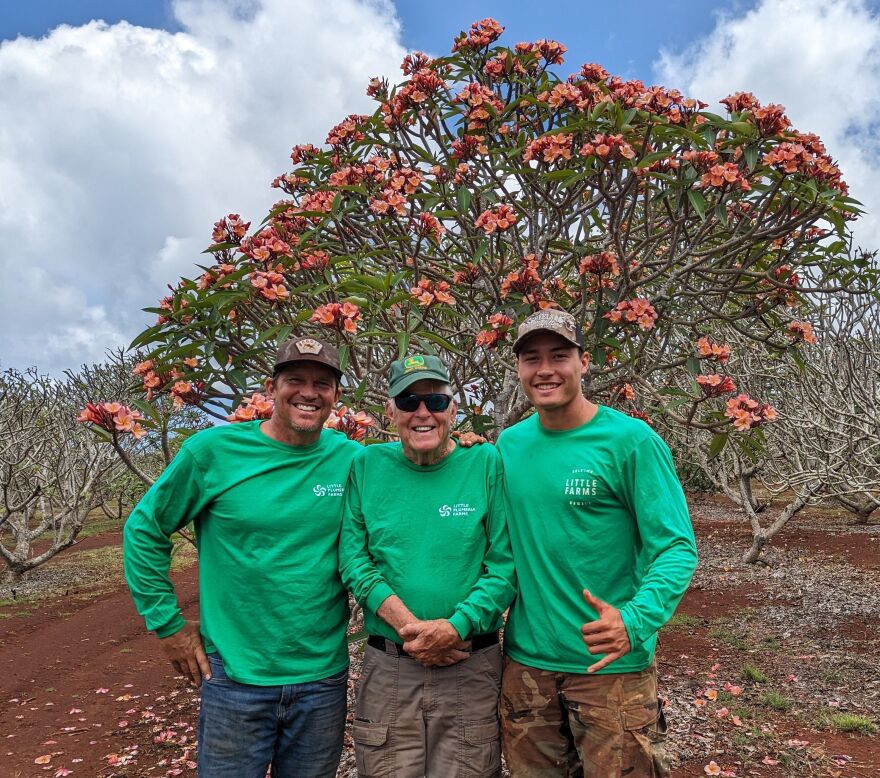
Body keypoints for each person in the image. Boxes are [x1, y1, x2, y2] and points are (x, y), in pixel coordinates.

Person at [123, 336, 360, 778]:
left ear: (336, 397)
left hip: (322, 679)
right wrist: (167, 625)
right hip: (235, 678)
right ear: (271, 389)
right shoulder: (212, 452)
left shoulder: (353, 460)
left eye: (321, 383)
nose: (308, 392)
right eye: (295, 380)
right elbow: (144, 528)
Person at [496, 309, 699, 778]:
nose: (545, 369)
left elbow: (675, 546)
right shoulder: (508, 445)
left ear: (584, 363)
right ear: (520, 369)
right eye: (532, 358)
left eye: (559, 355)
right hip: (527, 667)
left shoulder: (630, 442)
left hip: (612, 669)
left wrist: (635, 619)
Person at [340, 354, 516, 778]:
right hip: (391, 668)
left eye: (436, 402)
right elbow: (353, 558)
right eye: (408, 401)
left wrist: (455, 627)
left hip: (469, 663)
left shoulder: (486, 462)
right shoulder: (366, 466)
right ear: (390, 410)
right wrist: (409, 627)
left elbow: (505, 565)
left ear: (454, 410)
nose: (423, 412)